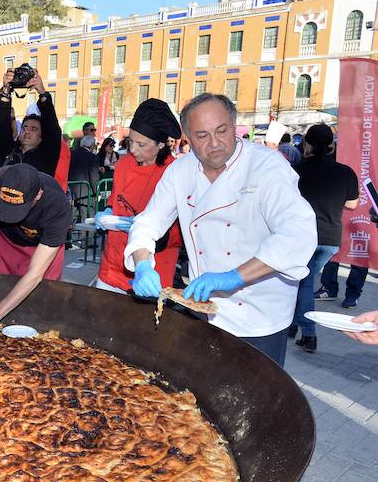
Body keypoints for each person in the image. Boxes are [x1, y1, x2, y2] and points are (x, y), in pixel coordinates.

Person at [125, 92, 317, 370]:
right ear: (187, 138)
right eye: (202, 135)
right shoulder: (180, 171)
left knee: (258, 392)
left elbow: (298, 233)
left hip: (259, 314)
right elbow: (148, 222)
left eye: (222, 131)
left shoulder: (266, 165)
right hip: (205, 309)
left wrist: (234, 277)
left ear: (234, 126)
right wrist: (143, 264)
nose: (214, 143)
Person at [0, 164, 72, 335]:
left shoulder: (57, 206)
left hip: (43, 248)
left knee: (43, 301)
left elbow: (35, 274)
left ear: (38, 195)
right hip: (9, 243)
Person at [95, 98, 183, 294]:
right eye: (131, 141)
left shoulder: (175, 172)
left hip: (151, 269)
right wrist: (107, 211)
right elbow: (115, 199)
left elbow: (182, 230)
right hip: (112, 264)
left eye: (141, 144)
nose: (133, 149)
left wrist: (146, 230)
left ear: (161, 144)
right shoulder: (124, 164)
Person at [289, 124, 359, 352]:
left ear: (306, 144)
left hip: (302, 237)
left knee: (302, 283)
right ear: (331, 146)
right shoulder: (345, 172)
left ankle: (308, 333)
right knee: (304, 281)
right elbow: (352, 204)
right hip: (330, 238)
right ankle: (294, 326)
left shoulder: (295, 171)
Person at [0, 68, 63, 178]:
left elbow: (51, 125)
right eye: (24, 127)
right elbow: (1, 125)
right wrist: (6, 91)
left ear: (41, 136)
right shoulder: (9, 151)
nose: (27, 131)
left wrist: (43, 93)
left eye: (34, 129)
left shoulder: (48, 154)